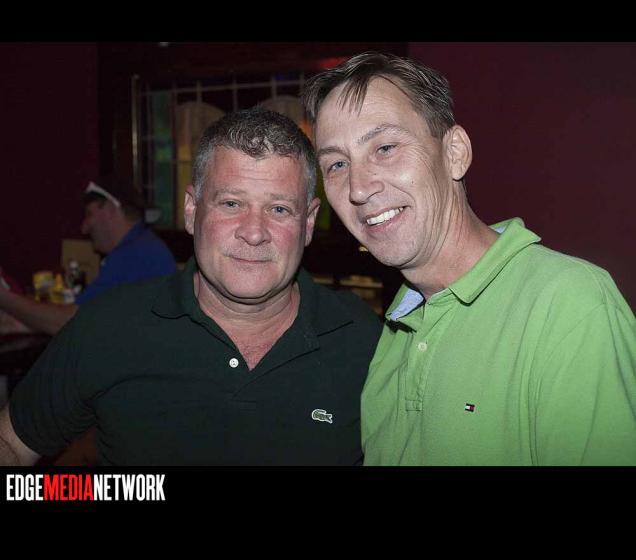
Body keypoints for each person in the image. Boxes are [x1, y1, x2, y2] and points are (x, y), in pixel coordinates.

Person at [301, 51, 636, 466]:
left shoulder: (569, 305)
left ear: (455, 153)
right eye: (336, 164)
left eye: (385, 147)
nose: (358, 187)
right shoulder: (393, 335)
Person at [0, 107, 381, 466]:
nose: (253, 233)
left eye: (279, 209)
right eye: (231, 203)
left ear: (308, 223)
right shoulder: (109, 325)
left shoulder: (365, 341)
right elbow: (12, 443)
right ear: (191, 209)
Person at [0, 176, 177, 335]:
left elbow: (71, 322)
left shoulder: (136, 254)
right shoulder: (144, 247)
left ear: (111, 209)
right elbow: (102, 322)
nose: (84, 228)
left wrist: (5, 298)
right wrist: (29, 324)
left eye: (89, 214)